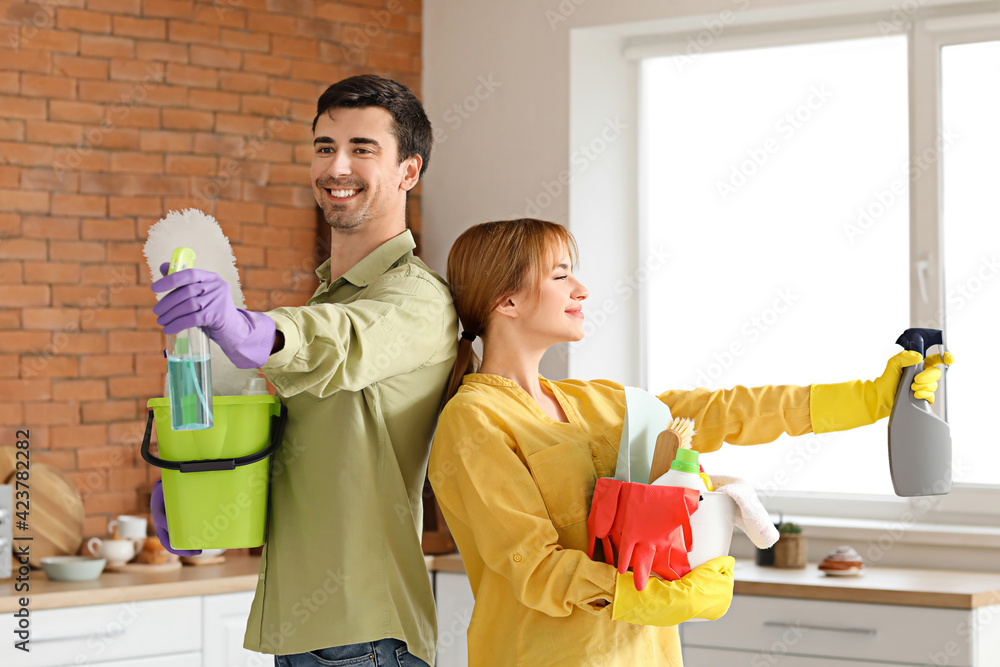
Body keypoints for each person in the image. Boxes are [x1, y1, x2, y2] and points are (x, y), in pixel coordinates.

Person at [428, 218, 951, 665]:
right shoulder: (474, 421)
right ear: (507, 299)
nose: (582, 290)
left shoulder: (596, 401)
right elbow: (532, 566)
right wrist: (664, 596)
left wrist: (870, 398)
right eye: (562, 275)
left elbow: (722, 412)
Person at [149, 75, 458, 667]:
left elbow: (337, 345)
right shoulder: (329, 298)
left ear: (408, 172)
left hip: (365, 635)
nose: (336, 166)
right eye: (324, 147)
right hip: (308, 631)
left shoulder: (418, 301)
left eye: (362, 149)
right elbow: (310, 454)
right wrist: (203, 480)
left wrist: (244, 328)